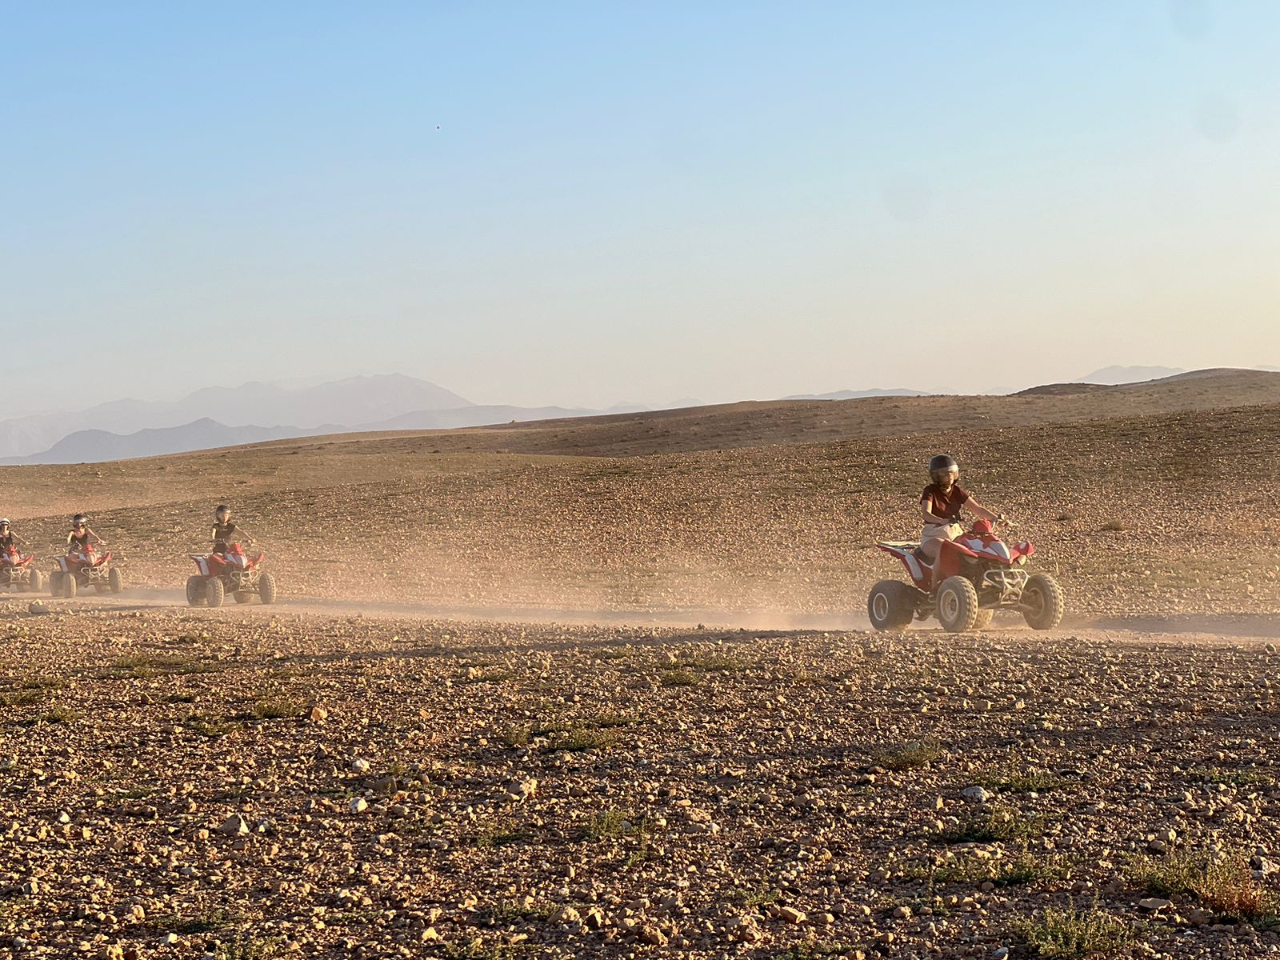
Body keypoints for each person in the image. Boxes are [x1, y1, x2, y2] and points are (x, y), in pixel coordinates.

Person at [919, 455, 1003, 562]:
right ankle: (936, 579)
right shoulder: (930, 491)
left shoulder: (957, 491)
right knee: (945, 551)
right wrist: (941, 521)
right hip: (934, 535)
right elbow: (926, 514)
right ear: (936, 476)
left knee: (978, 550)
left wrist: (996, 519)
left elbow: (977, 508)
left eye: (951, 474)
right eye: (944, 474)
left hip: (956, 535)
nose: (949, 477)